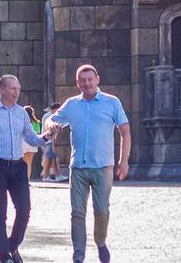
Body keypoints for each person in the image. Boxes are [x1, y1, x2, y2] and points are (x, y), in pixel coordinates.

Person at [46, 65, 130, 263]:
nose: (87, 83)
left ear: (97, 79)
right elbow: (51, 120)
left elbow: (125, 131)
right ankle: (78, 256)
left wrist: (123, 161)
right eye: (82, 80)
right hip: (78, 168)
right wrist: (51, 125)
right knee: (77, 213)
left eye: (90, 79)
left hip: (103, 167)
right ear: (78, 83)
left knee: (101, 210)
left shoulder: (112, 102)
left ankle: (100, 242)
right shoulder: (72, 104)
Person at [0, 74, 51, 263]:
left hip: (17, 167)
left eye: (18, 88)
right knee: (0, 213)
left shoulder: (21, 112)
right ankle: (3, 254)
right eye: (13, 88)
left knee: (24, 211)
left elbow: (32, 139)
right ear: (2, 90)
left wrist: (47, 136)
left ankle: (12, 246)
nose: (17, 92)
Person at [39, 102, 63, 183]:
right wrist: (52, 142)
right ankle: (46, 176)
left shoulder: (49, 115)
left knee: (51, 158)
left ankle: (55, 175)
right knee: (47, 158)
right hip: (47, 140)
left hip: (49, 140)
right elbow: (49, 129)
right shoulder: (49, 116)